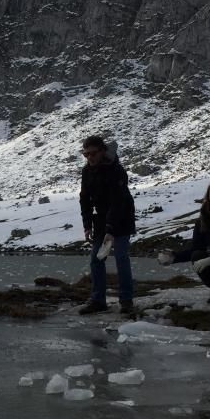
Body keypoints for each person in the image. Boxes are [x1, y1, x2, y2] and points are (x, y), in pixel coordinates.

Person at [78, 135, 136, 315]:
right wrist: (87, 225)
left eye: (93, 153)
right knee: (96, 260)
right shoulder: (87, 171)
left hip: (122, 217)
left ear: (102, 151)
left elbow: (118, 201)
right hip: (101, 219)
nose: (90, 158)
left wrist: (111, 229)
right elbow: (85, 199)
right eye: (86, 154)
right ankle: (98, 300)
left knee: (120, 257)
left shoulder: (116, 170)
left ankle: (126, 300)